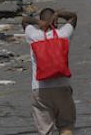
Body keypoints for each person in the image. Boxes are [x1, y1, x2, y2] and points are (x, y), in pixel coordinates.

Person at [23, 7, 78, 135]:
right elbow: (73, 16)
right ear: (56, 22)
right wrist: (58, 14)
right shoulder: (63, 34)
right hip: (62, 86)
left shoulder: (33, 35)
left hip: (40, 88)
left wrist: (38, 22)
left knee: (45, 130)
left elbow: (24, 21)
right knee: (66, 126)